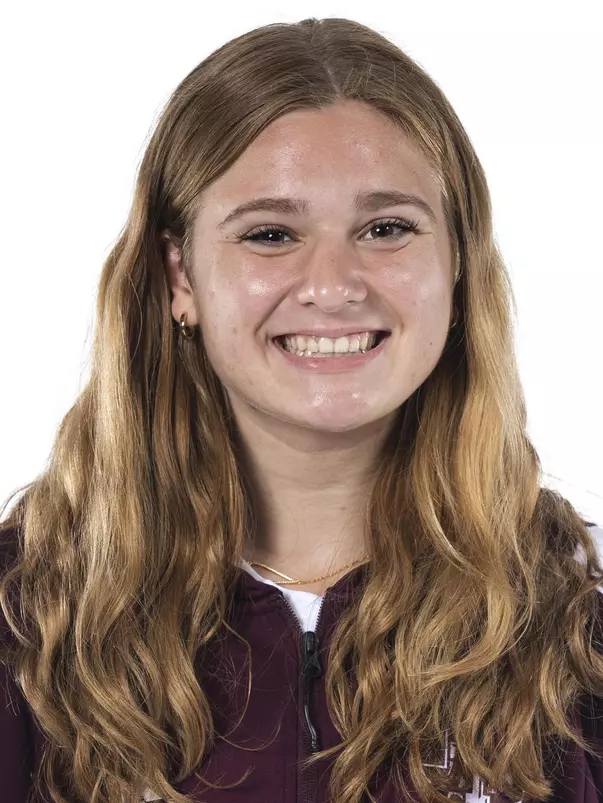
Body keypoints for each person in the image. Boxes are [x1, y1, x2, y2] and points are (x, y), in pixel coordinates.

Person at [1, 15, 602, 803]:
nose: (332, 283)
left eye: (386, 228)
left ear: (456, 267)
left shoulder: (570, 628)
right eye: (271, 233)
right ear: (181, 277)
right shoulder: (28, 622)